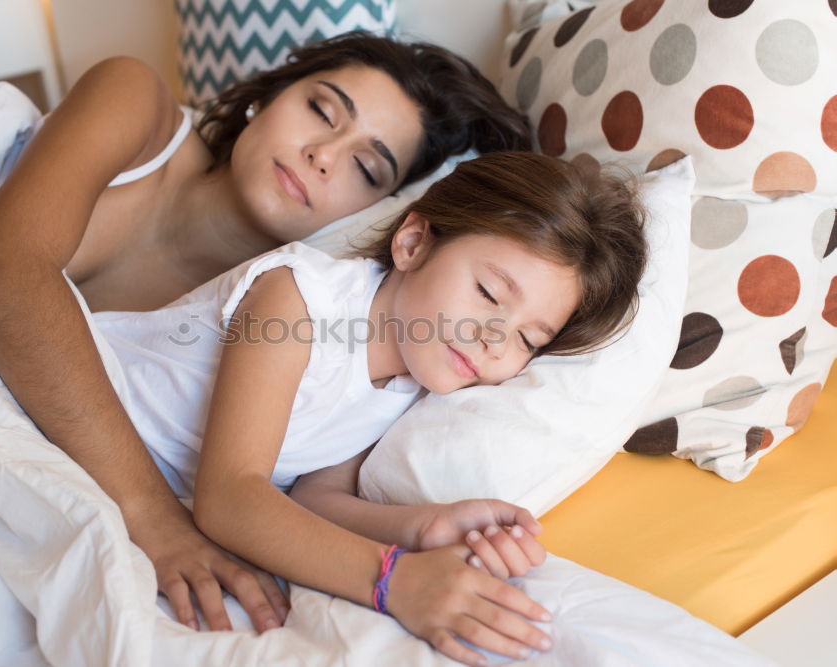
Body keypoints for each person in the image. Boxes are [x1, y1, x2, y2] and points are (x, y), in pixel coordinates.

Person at [0, 32, 533, 637]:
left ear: (382, 212)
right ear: (265, 96)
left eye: (367, 169)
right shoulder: (134, 98)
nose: (323, 156)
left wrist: (418, 530)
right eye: (320, 110)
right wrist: (153, 515)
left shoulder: (294, 314)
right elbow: (1, 275)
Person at [88, 150, 647, 665]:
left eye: (529, 340)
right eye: (489, 294)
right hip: (75, 418)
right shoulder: (298, 300)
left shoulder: (414, 380)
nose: (495, 342)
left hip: (136, 481)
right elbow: (231, 495)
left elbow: (315, 496)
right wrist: (394, 581)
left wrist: (424, 526)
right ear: (413, 244)